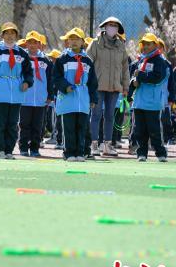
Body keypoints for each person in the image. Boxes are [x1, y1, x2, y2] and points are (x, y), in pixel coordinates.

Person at [0, 22, 33, 159]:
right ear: (2, 35)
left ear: (16, 35)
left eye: (13, 33)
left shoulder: (22, 53)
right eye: (7, 33)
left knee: (13, 124)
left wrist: (27, 82)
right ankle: (0, 150)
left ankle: (9, 150)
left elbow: (28, 72)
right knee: (0, 123)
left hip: (16, 93)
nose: (10, 36)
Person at [86, 16, 129, 157]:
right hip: (98, 86)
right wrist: (89, 84)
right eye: (110, 25)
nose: (112, 28)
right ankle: (93, 144)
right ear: (105, 26)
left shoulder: (121, 45)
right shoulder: (94, 43)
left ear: (118, 29)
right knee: (96, 115)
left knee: (110, 116)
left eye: (115, 26)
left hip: (115, 87)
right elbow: (87, 64)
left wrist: (125, 87)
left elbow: (125, 68)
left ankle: (108, 145)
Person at [53, 28, 98, 162]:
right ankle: (69, 153)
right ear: (67, 42)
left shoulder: (88, 61)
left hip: (83, 98)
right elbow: (56, 77)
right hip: (68, 97)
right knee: (69, 127)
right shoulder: (62, 59)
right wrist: (65, 86)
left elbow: (92, 82)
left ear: (83, 42)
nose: (73, 42)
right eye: (71, 39)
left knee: (82, 127)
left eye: (76, 39)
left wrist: (93, 98)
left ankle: (81, 152)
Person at [129, 33, 168, 162]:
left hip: (152, 102)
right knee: (139, 130)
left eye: (148, 44)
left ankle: (160, 153)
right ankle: (142, 153)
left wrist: (140, 76)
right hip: (139, 101)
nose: (145, 46)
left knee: (154, 130)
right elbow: (135, 77)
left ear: (155, 45)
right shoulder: (141, 60)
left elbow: (158, 77)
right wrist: (133, 83)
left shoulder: (160, 61)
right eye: (144, 44)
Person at [19, 31, 54, 157]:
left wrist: (50, 95)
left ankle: (35, 148)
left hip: (41, 99)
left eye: (35, 42)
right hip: (25, 98)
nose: (32, 45)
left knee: (38, 126)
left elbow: (50, 79)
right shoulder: (22, 59)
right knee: (24, 124)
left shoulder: (46, 60)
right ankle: (23, 148)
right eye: (30, 42)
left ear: (39, 44)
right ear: (26, 44)